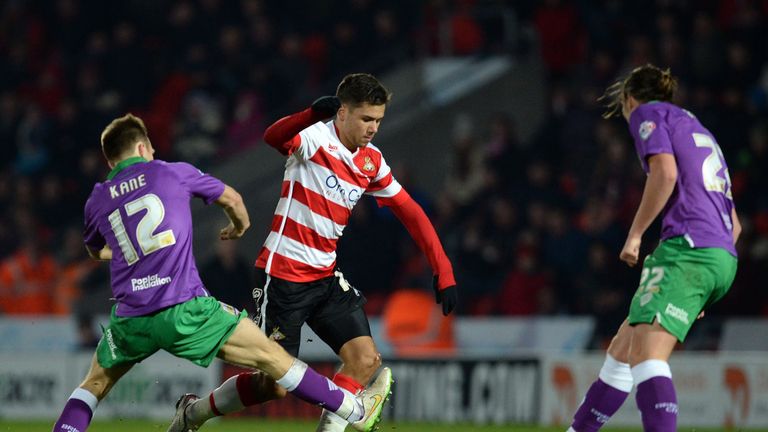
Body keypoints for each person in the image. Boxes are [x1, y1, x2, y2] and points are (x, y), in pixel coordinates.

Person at [51, 114, 378, 432]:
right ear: (142, 148)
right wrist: (238, 227)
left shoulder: (97, 198)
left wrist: (124, 254)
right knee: (272, 358)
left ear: (111, 162)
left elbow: (96, 251)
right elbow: (232, 199)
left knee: (93, 384)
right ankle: (354, 410)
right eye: (150, 149)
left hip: (131, 318)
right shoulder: (170, 172)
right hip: (184, 308)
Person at [176, 73, 459, 432]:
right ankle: (193, 413)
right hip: (281, 278)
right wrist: (310, 114)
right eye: (366, 119)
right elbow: (273, 136)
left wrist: (443, 268)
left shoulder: (371, 161)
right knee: (272, 386)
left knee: (365, 359)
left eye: (378, 121)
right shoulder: (314, 138)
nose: (373, 128)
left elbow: (411, 212)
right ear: (342, 114)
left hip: (324, 278)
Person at [567, 64, 740, 432]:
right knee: (622, 350)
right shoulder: (697, 128)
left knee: (647, 355)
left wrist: (635, 235)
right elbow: (735, 224)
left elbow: (665, 173)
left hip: (688, 248)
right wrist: (702, 289)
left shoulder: (648, 113)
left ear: (630, 100)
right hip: (720, 255)